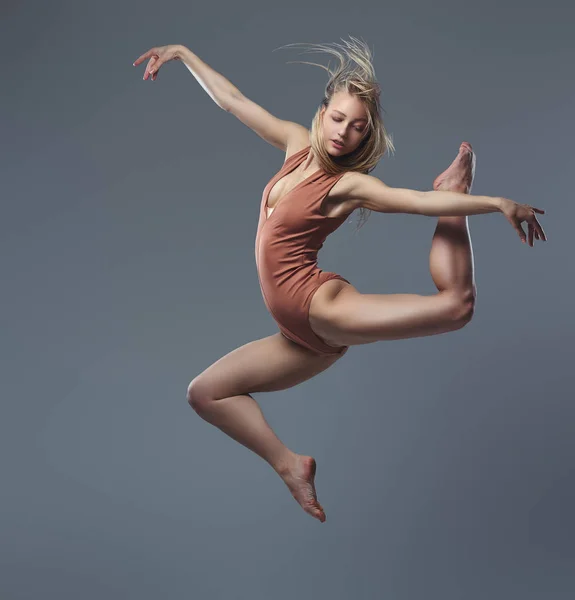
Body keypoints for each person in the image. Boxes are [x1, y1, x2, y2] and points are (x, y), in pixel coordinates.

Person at [133, 37, 546, 523]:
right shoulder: (294, 143)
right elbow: (233, 100)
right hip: (299, 336)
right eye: (337, 118)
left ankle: (458, 186)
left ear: (364, 134)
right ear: (322, 111)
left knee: (457, 307)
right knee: (205, 394)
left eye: (357, 127)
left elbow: (415, 202)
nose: (344, 133)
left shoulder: (346, 185)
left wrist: (494, 203)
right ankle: (291, 467)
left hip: (320, 307)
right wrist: (182, 54)